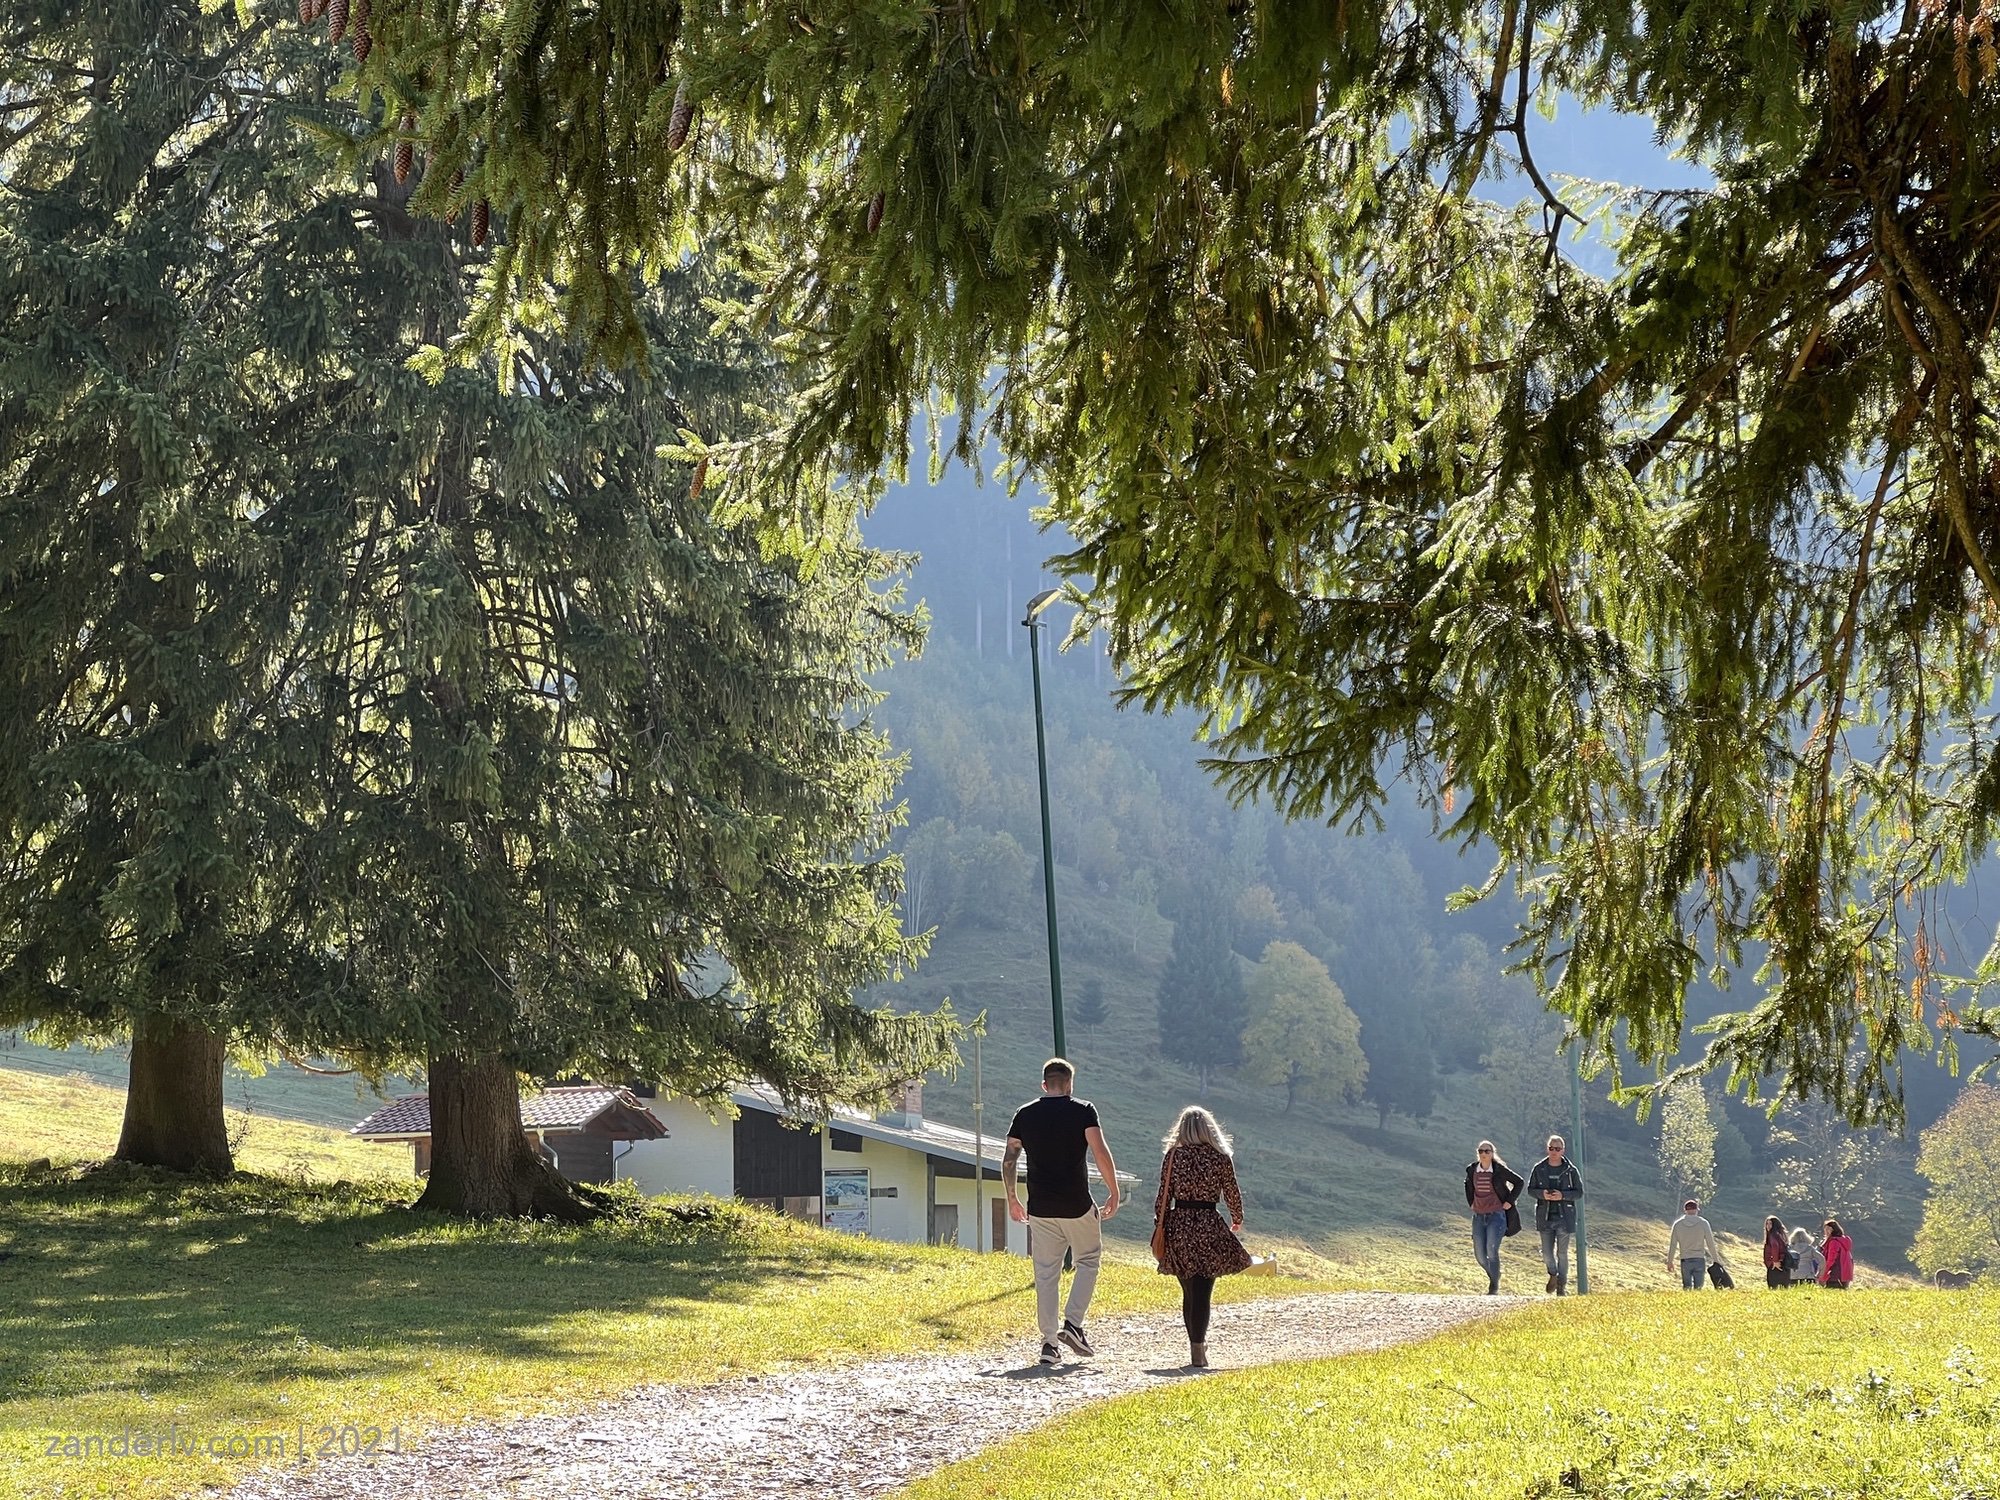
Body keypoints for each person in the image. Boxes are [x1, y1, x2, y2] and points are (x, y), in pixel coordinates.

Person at [1004, 1057, 1121, 1365]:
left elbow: (1009, 1159)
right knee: (1088, 1261)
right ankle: (1073, 1324)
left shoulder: (1024, 1114)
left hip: (1040, 1207)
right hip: (1077, 1204)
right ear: (1069, 1084)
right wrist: (1113, 1190)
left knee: (1045, 1274)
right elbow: (1099, 1151)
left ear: (1044, 1085)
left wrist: (1012, 1198)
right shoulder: (1083, 1110)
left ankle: (1049, 1344)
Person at [1152, 1106, 1252, 1368]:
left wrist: (1160, 1224)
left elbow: (1163, 1195)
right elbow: (1232, 1191)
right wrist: (1237, 1217)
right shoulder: (1220, 1158)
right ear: (1209, 1130)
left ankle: (1195, 1345)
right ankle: (1198, 1347)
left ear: (1182, 1129)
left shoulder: (1173, 1156)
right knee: (1203, 1290)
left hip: (1180, 1226)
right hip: (1209, 1225)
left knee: (1188, 1290)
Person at [1464, 1141, 1525, 1295]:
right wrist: (1471, 1203)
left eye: (1487, 1151)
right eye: (1481, 1151)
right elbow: (1468, 1186)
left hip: (1496, 1216)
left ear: (1492, 1153)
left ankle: (1493, 1288)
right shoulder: (1472, 1170)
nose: (1484, 1154)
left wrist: (1509, 1201)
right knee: (1480, 1255)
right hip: (1478, 1216)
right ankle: (1495, 1275)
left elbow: (1519, 1182)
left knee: (1491, 1250)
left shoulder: (1498, 1170)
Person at [1525, 1135, 1583, 1295]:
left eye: (1557, 1149)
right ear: (1547, 1149)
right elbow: (1530, 1190)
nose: (1554, 1151)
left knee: (1562, 1253)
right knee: (1546, 1253)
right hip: (1545, 1217)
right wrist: (1542, 1194)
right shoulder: (1539, 1168)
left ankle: (1561, 1286)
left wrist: (1562, 1195)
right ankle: (1553, 1274)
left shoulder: (1571, 1171)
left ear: (1563, 1150)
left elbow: (1579, 1192)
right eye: (1551, 1148)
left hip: (1565, 1217)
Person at [1666, 1199, 1723, 1289]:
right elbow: (1710, 1243)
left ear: (1685, 1210)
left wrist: (1670, 1261)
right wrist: (1716, 1259)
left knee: (1687, 1287)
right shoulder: (1703, 1223)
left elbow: (1673, 1244)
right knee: (1698, 1288)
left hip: (1685, 1260)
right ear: (1696, 1210)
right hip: (1699, 1259)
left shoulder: (1678, 1225)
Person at [1819, 1219, 1854, 1289]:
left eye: (1826, 1229)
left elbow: (1831, 1260)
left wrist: (1823, 1274)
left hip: (1835, 1274)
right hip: (1846, 1273)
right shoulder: (1844, 1240)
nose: (1825, 1232)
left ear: (1831, 1230)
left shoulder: (1834, 1242)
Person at [1762, 1215, 1791, 1289]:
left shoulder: (1773, 1235)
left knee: (1773, 1288)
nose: (1768, 1226)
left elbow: (1775, 1247)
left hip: (1775, 1265)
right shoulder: (1781, 1235)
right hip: (1783, 1264)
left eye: (1770, 1224)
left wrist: (1775, 1261)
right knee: (1783, 1289)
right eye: (1767, 1223)